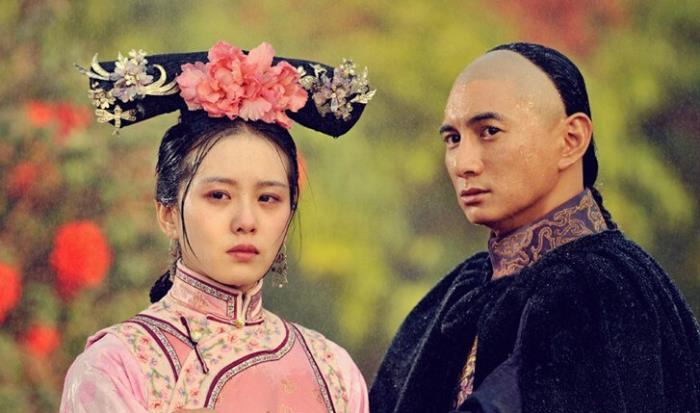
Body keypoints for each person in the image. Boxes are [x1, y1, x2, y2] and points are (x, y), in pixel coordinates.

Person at [369, 42, 700, 413]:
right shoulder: (455, 293)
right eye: (453, 139)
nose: (463, 164)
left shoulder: (604, 289)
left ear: (571, 140)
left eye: (489, 131)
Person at [61, 40, 375, 413]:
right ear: (168, 213)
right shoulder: (117, 367)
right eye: (218, 196)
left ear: (290, 213)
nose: (246, 222)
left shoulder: (334, 372)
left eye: (268, 199)